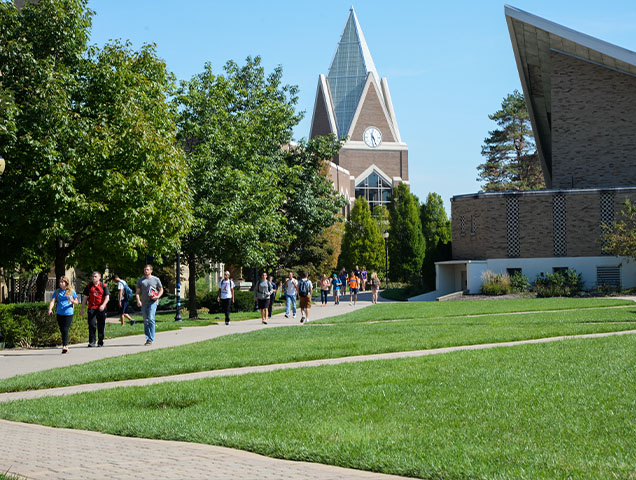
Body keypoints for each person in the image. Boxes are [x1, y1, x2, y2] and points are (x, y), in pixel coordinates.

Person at [48, 276, 79, 354]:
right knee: (62, 329)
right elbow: (52, 301)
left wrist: (72, 301)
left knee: (65, 329)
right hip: (59, 312)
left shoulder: (71, 291)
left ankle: (65, 346)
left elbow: (77, 301)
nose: (61, 284)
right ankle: (65, 343)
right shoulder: (57, 292)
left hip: (68, 313)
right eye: (60, 282)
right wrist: (50, 309)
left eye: (62, 282)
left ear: (66, 283)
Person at [80, 271, 110, 347]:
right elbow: (85, 297)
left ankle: (100, 341)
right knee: (92, 325)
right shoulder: (89, 286)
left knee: (101, 325)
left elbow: (107, 297)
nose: (93, 278)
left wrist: (103, 305)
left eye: (95, 276)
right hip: (91, 308)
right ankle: (92, 341)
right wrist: (82, 308)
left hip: (101, 308)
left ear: (99, 277)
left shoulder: (103, 285)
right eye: (93, 276)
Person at [136, 264, 163, 346]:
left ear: (151, 271)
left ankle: (150, 338)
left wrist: (157, 296)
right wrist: (138, 301)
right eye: (145, 269)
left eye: (147, 269)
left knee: (151, 318)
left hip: (153, 302)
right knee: (146, 321)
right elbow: (137, 292)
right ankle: (148, 339)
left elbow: (161, 289)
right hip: (144, 303)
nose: (146, 271)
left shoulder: (156, 279)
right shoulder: (141, 281)